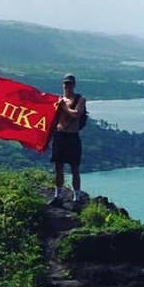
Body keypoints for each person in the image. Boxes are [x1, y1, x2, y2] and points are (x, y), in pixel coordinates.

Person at [50, 73, 86, 203]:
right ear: (63, 85)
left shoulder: (80, 99)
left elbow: (76, 114)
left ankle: (76, 197)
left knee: (74, 168)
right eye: (65, 84)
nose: (67, 86)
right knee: (58, 168)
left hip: (72, 137)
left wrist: (63, 107)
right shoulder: (58, 100)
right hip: (59, 136)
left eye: (70, 84)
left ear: (74, 85)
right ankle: (57, 195)